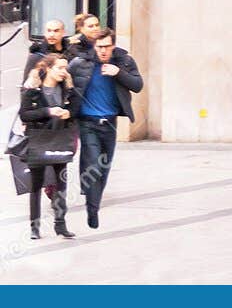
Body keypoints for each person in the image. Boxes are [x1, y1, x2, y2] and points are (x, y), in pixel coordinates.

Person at [68, 28, 143, 228]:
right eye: (99, 47)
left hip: (109, 122)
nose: (102, 51)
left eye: (106, 47)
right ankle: (92, 210)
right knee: (92, 165)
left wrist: (118, 73)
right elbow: (60, 80)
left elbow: (137, 85)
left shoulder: (124, 62)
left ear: (113, 46)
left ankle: (95, 204)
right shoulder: (80, 63)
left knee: (103, 168)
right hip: (87, 122)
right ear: (94, 46)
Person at [18, 54, 80, 239]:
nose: (64, 72)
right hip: (38, 139)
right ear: (49, 68)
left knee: (61, 183)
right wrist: (48, 111)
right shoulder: (34, 88)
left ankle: (60, 225)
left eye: (65, 68)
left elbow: (77, 109)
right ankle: (34, 227)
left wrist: (68, 113)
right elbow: (25, 114)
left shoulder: (66, 89)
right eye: (60, 68)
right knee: (36, 184)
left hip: (59, 138)